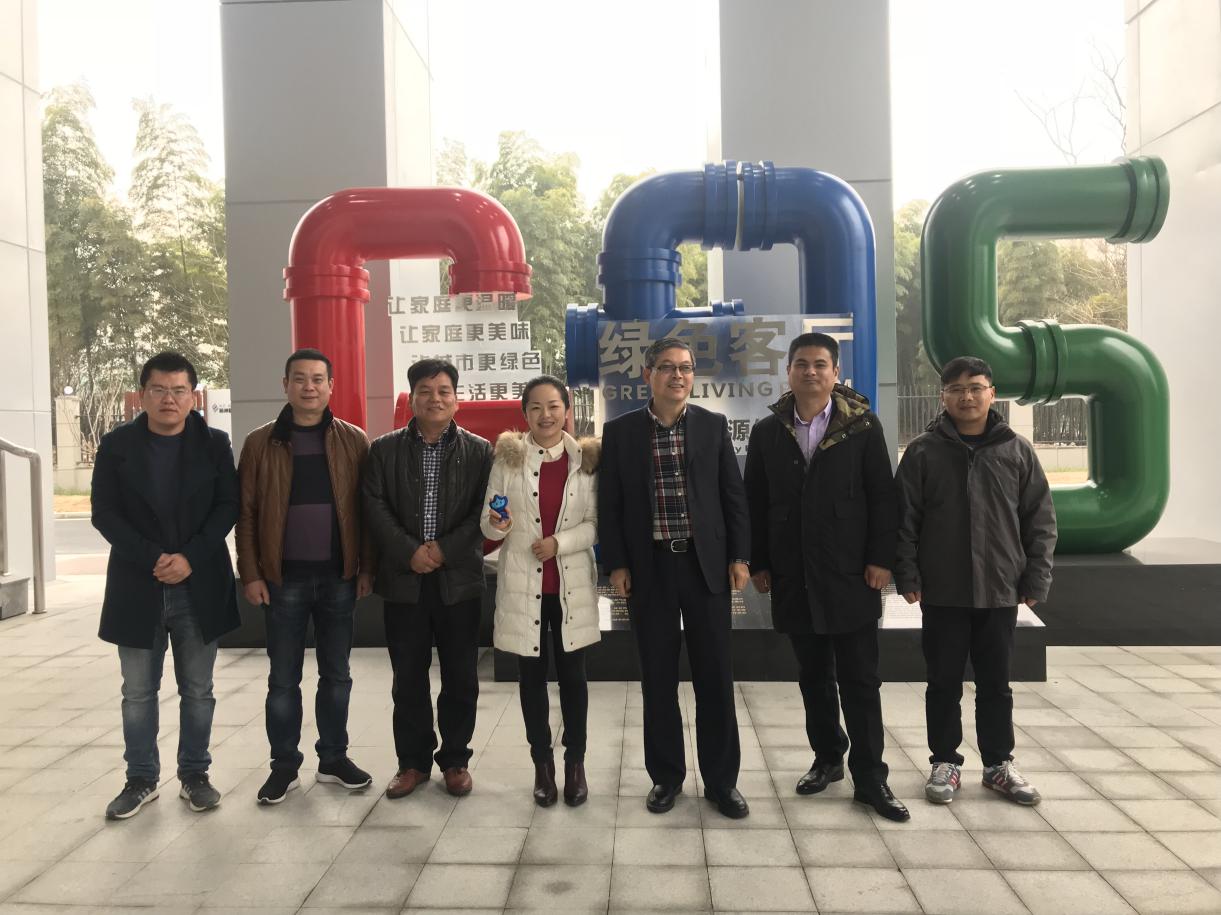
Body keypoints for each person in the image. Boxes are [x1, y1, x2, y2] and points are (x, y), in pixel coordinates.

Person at [744, 333, 909, 822]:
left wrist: (881, 559)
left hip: (851, 574)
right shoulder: (768, 432)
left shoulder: (862, 427)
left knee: (861, 680)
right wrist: (759, 562)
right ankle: (827, 758)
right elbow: (755, 501)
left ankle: (871, 778)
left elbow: (883, 497)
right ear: (789, 372)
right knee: (813, 677)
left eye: (820, 364)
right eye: (801, 364)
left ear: (836, 373)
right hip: (794, 574)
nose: (811, 372)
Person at [598, 337, 752, 819]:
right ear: (648, 375)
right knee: (658, 679)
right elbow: (611, 504)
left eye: (685, 367)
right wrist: (617, 564)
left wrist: (740, 556)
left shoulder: (711, 425)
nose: (678, 376)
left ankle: (722, 782)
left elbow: (733, 496)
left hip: (706, 568)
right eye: (667, 367)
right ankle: (666, 777)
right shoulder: (621, 432)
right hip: (651, 569)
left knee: (715, 678)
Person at [895, 355, 1057, 806]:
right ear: (943, 396)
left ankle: (998, 764)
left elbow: (1040, 520)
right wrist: (907, 574)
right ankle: (945, 762)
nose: (966, 397)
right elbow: (903, 520)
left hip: (1000, 589)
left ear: (992, 393)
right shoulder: (923, 452)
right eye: (956, 389)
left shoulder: (1017, 450)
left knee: (996, 684)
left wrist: (1036, 578)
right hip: (942, 590)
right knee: (942, 682)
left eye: (976, 387)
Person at [91, 352, 239, 819]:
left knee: (198, 689)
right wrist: (153, 558)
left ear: (193, 396)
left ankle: (195, 775)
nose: (169, 399)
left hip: (199, 582)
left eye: (178, 390)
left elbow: (227, 507)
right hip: (138, 583)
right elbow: (104, 512)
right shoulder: (117, 445)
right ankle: (140, 779)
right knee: (137, 691)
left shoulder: (214, 444)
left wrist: (189, 557)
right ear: (142, 395)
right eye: (159, 390)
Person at [236, 348, 376, 805]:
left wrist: (366, 568)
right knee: (282, 680)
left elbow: (367, 512)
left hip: (339, 578)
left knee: (337, 675)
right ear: (285, 385)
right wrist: (251, 573)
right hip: (283, 581)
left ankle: (333, 759)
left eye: (318, 379)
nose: (309, 387)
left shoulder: (354, 440)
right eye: (300, 378)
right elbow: (247, 513)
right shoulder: (260, 443)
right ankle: (283, 766)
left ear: (331, 386)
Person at [363, 359, 493, 799]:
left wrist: (443, 550)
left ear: (456, 399)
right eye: (425, 390)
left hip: (459, 580)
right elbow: (374, 505)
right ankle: (412, 762)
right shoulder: (383, 450)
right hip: (405, 579)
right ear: (411, 398)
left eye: (443, 391)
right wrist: (410, 551)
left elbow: (484, 511)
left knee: (461, 676)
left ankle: (455, 759)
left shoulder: (481, 451)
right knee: (408, 677)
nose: (434, 398)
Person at [481, 376, 600, 807]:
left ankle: (575, 763)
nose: (545, 415)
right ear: (525, 413)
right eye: (535, 407)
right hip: (522, 586)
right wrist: (499, 524)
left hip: (571, 588)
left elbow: (594, 524)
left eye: (553, 406)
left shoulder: (586, 460)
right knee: (531, 680)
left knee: (573, 679)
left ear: (566, 410)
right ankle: (542, 765)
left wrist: (558, 543)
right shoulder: (507, 460)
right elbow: (489, 523)